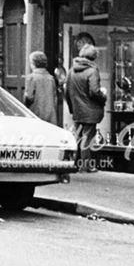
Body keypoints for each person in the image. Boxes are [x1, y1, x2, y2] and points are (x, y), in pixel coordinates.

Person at [64, 44, 106, 172]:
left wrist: (72, 108)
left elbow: (66, 92)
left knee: (76, 136)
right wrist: (103, 96)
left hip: (77, 109)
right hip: (90, 110)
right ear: (93, 56)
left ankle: (71, 163)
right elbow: (94, 91)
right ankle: (85, 165)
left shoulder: (71, 70)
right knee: (87, 137)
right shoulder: (92, 71)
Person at [23, 51, 57, 125]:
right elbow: (54, 98)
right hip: (50, 115)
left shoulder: (31, 78)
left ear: (33, 64)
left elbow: (29, 97)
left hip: (36, 114)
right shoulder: (51, 78)